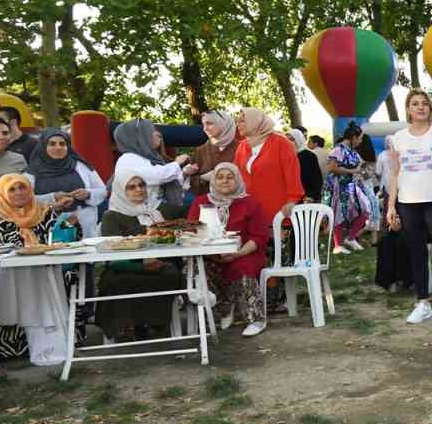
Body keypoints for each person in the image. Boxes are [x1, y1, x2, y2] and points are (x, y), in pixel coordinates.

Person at [0, 174, 74, 359]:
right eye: (12, 189)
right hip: (10, 277)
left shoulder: (46, 213)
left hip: (46, 272)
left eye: (22, 188)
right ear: (2, 193)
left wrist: (70, 227)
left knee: (66, 277)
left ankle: (59, 340)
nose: (19, 192)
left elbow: (67, 238)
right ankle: (11, 347)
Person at [385, 89, 432, 324]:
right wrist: (391, 207)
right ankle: (423, 302)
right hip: (408, 203)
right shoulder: (397, 139)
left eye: (424, 104)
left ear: (430, 108)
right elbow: (395, 174)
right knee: (416, 253)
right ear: (408, 109)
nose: (420, 107)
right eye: (415, 104)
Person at [188, 162, 271, 337]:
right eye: (219, 177)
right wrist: (212, 253)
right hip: (210, 255)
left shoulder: (250, 202)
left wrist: (237, 253)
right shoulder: (201, 202)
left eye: (229, 177)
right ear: (213, 180)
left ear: (238, 179)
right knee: (197, 269)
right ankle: (222, 310)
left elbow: (259, 237)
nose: (224, 181)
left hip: (244, 253)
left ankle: (255, 318)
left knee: (241, 267)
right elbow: (192, 231)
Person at [95, 174, 180, 344]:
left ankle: (155, 322)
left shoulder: (155, 213)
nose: (139, 190)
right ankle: (131, 325)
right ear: (120, 190)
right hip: (125, 267)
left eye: (141, 185)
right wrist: (141, 265)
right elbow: (112, 254)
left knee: (170, 273)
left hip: (160, 264)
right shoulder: (112, 216)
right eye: (131, 187)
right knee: (119, 281)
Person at [29, 128, 107, 238]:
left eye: (62, 144)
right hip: (48, 232)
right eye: (52, 144)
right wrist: (53, 197)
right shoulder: (31, 172)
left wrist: (88, 194)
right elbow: (25, 201)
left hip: (86, 230)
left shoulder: (81, 166)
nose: (58, 147)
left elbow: (103, 191)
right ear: (43, 146)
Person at [233, 108, 303, 229]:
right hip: (250, 210)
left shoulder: (282, 143)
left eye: (242, 121)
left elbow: (292, 174)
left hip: (278, 211)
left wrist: (292, 200)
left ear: (255, 122)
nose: (237, 125)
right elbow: (236, 176)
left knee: (275, 247)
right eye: (237, 121)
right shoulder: (242, 146)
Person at [113, 119, 195, 218]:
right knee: (194, 205)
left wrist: (184, 173)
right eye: (151, 132)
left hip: (153, 209)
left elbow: (164, 184)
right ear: (140, 137)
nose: (157, 134)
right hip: (139, 215)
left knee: (193, 203)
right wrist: (177, 163)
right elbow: (156, 177)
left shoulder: (146, 158)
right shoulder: (129, 158)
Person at [325, 123, 371, 253]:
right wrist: (353, 171)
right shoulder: (338, 150)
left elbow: (361, 167)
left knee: (365, 209)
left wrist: (365, 170)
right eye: (360, 138)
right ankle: (338, 245)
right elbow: (332, 168)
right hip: (338, 187)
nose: (361, 141)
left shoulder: (353, 152)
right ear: (353, 137)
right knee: (339, 214)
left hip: (352, 187)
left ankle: (351, 238)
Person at [190, 110, 240, 196]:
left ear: (223, 123)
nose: (205, 128)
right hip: (207, 204)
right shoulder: (200, 151)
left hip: (237, 202)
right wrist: (203, 178)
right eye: (203, 124)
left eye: (209, 123)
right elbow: (190, 180)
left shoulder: (242, 148)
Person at [289, 128, 324, 202]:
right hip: (291, 198)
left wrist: (312, 196)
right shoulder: (286, 156)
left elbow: (317, 178)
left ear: (298, 139)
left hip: (307, 197)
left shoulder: (309, 156)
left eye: (292, 139)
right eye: (287, 139)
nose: (289, 142)